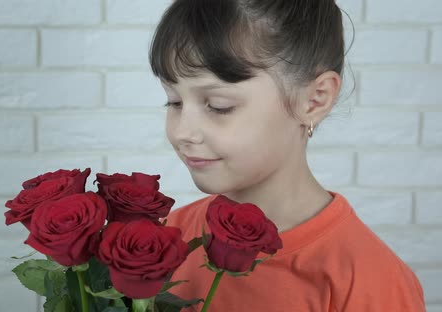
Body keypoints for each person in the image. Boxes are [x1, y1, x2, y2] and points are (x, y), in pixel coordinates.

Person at [150, 0, 426, 311]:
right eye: (173, 101)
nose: (183, 131)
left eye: (218, 105)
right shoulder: (168, 239)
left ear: (314, 99)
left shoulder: (370, 282)